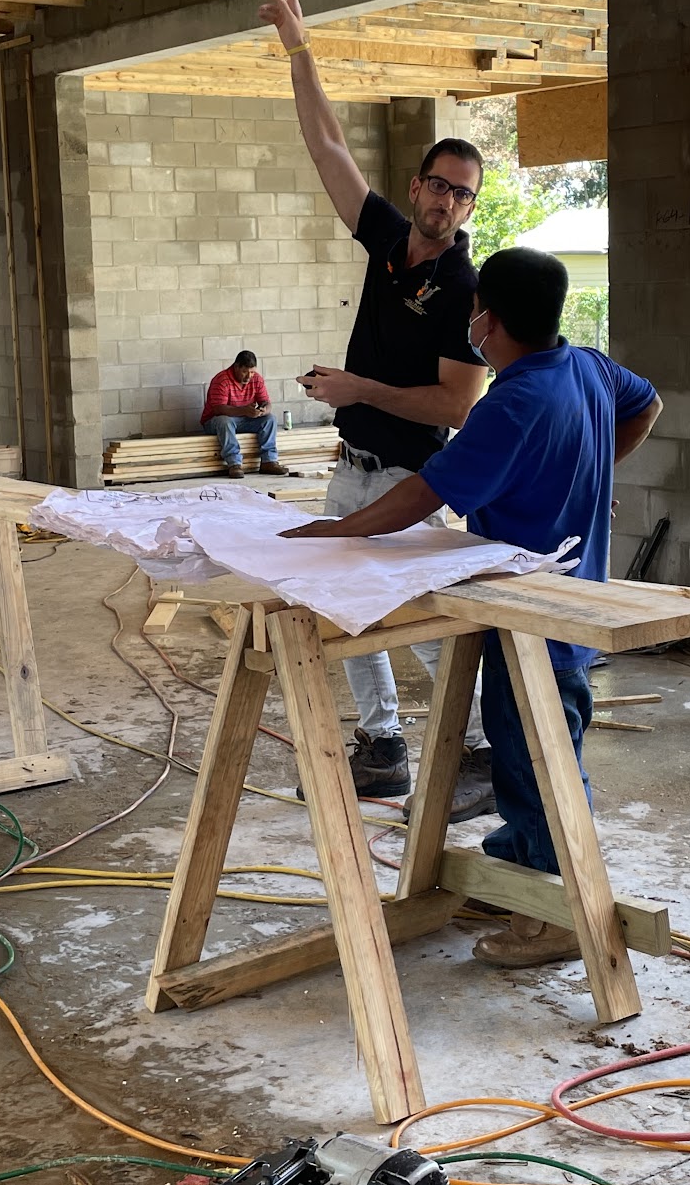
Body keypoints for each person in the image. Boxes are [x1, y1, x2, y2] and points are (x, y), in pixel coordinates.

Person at [283, 246, 663, 971]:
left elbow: (423, 493)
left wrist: (337, 530)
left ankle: (557, 908)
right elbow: (648, 404)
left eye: (475, 308)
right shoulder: (585, 365)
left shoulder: (512, 404)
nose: (470, 319)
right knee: (530, 737)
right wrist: (590, 466)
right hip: (553, 595)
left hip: (535, 612)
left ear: (491, 322)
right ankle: (515, 866)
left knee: (538, 753)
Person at [257, 0, 491, 811]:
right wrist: (299, 51)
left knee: (423, 616)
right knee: (345, 605)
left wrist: (359, 384)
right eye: (437, 184)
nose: (445, 201)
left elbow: (455, 408)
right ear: (419, 184)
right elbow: (328, 149)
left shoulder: (466, 290)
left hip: (408, 477)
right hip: (354, 464)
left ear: (470, 205)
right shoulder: (389, 240)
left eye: (462, 192)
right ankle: (385, 743)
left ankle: (485, 747)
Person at [200, 351, 288, 479]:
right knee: (224, 421)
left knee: (270, 419)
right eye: (245, 372)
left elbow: (267, 403)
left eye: (252, 372)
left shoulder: (256, 379)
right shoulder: (221, 380)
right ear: (236, 367)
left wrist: (263, 410)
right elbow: (218, 409)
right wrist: (244, 411)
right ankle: (234, 464)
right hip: (215, 422)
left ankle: (269, 461)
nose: (248, 376)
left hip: (244, 419)